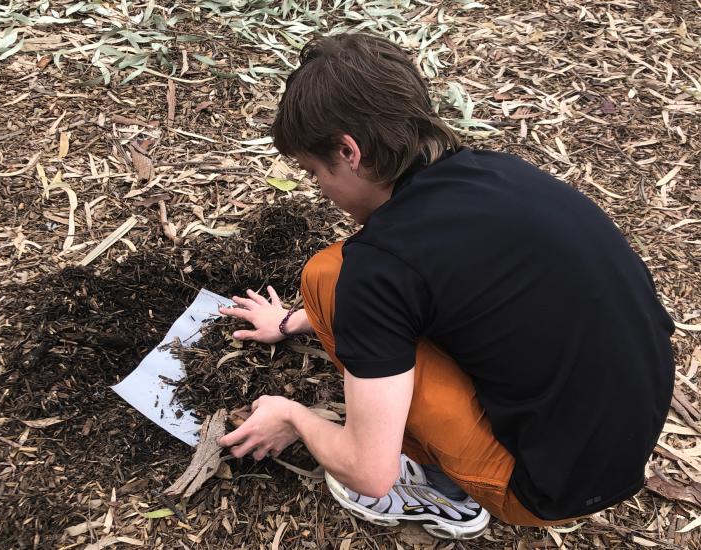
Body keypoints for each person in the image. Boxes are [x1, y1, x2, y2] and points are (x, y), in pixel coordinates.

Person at [217, 33, 675, 539]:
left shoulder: (379, 266)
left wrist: (293, 416)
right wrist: (290, 323)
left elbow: (371, 472)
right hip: (627, 429)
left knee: (332, 276)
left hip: (547, 488)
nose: (319, 190)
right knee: (335, 280)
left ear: (348, 151)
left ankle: (443, 493)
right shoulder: (496, 172)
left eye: (313, 172)